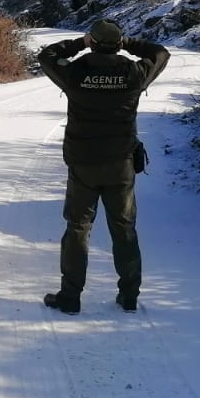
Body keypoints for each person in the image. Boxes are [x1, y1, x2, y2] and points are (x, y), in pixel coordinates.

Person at [36, 18, 170, 314]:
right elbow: (160, 53)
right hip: (120, 162)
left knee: (77, 228)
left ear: (93, 43)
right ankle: (129, 295)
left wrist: (79, 44)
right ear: (118, 44)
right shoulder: (134, 72)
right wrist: (130, 44)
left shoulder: (76, 71)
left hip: (83, 162)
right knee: (124, 228)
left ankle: (70, 297)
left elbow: (45, 56)